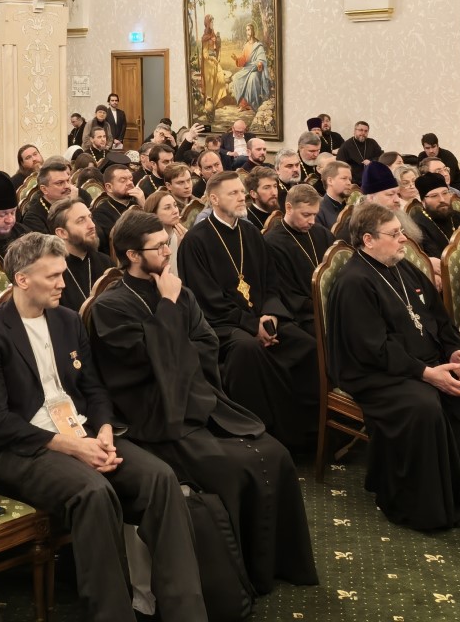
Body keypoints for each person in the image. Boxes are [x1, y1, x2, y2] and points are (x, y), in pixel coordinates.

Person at [0, 233, 208, 622]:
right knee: (93, 492)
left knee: (160, 478)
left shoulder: (67, 320)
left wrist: (105, 429)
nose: (63, 283)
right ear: (22, 279)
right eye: (53, 276)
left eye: (63, 274)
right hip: (23, 447)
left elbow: (94, 389)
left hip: (83, 432)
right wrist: (73, 447)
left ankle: (185, 612)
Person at [91, 210, 318, 593]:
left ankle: (280, 566)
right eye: (159, 247)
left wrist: (173, 348)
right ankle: (242, 580)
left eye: (166, 244)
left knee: (275, 452)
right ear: (132, 255)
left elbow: (206, 343)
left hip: (198, 399)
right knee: (230, 469)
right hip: (156, 414)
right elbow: (146, 365)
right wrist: (167, 309)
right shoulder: (111, 307)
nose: (168, 252)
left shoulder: (179, 291)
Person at [327, 203, 460, 530]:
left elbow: (440, 318)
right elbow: (374, 349)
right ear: (368, 240)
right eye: (394, 234)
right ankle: (429, 507)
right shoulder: (354, 282)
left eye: (401, 232)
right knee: (423, 406)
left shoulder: (404, 268)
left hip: (432, 360)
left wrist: (455, 353)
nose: (403, 240)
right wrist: (427, 375)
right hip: (378, 374)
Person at [178, 171, 319, 448]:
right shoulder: (196, 241)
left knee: (306, 345)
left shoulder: (251, 233)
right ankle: (263, 436)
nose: (241, 197)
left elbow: (271, 281)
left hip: (261, 315)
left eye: (241, 191)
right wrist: (251, 324)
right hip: (222, 325)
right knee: (249, 349)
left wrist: (270, 314)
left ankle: (310, 432)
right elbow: (206, 299)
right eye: (233, 193)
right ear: (214, 199)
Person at [265, 185, 335, 339]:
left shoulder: (322, 233)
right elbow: (287, 293)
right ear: (289, 208)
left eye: (315, 215)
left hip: (332, 305)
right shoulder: (272, 243)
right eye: (306, 215)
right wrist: (322, 304)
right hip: (303, 315)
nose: (312, 221)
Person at [49, 198, 113, 311]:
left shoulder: (105, 262)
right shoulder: (51, 272)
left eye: (90, 217)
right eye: (81, 220)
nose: (92, 225)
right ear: (62, 233)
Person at [409, 172, 460, 260]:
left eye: (445, 193)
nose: (442, 199)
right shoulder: (417, 226)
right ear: (423, 201)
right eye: (434, 196)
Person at [92, 162, 145, 256]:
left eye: (131, 179)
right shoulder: (100, 213)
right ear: (109, 187)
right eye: (123, 180)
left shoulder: (138, 204)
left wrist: (144, 206)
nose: (130, 183)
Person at [18, 160, 76, 234]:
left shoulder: (74, 202)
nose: (67, 186)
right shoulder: (33, 218)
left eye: (68, 181)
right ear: (44, 189)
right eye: (60, 183)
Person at [227, 22, 271, 112]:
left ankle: (253, 104)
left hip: (256, 70)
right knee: (236, 77)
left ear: (253, 31)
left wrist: (259, 63)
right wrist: (237, 59)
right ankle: (243, 104)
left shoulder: (258, 45)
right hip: (247, 69)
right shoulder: (246, 45)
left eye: (249, 29)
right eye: (246, 30)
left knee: (252, 79)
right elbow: (244, 59)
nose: (247, 32)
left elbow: (262, 60)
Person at [143, 190, 186, 276]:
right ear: (154, 214)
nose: (175, 211)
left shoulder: (183, 234)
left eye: (175, 205)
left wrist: (185, 247)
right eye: (167, 208)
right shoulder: (149, 243)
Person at [335, 121, 383, 185]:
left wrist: (371, 161)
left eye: (366, 131)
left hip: (372, 179)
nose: (363, 133)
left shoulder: (372, 143)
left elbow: (381, 157)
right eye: (361, 130)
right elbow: (340, 165)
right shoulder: (346, 146)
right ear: (354, 131)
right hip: (354, 182)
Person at [315, 160, 352, 231]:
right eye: (344, 178)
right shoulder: (318, 211)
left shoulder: (352, 208)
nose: (349, 183)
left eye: (350, 179)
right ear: (330, 181)